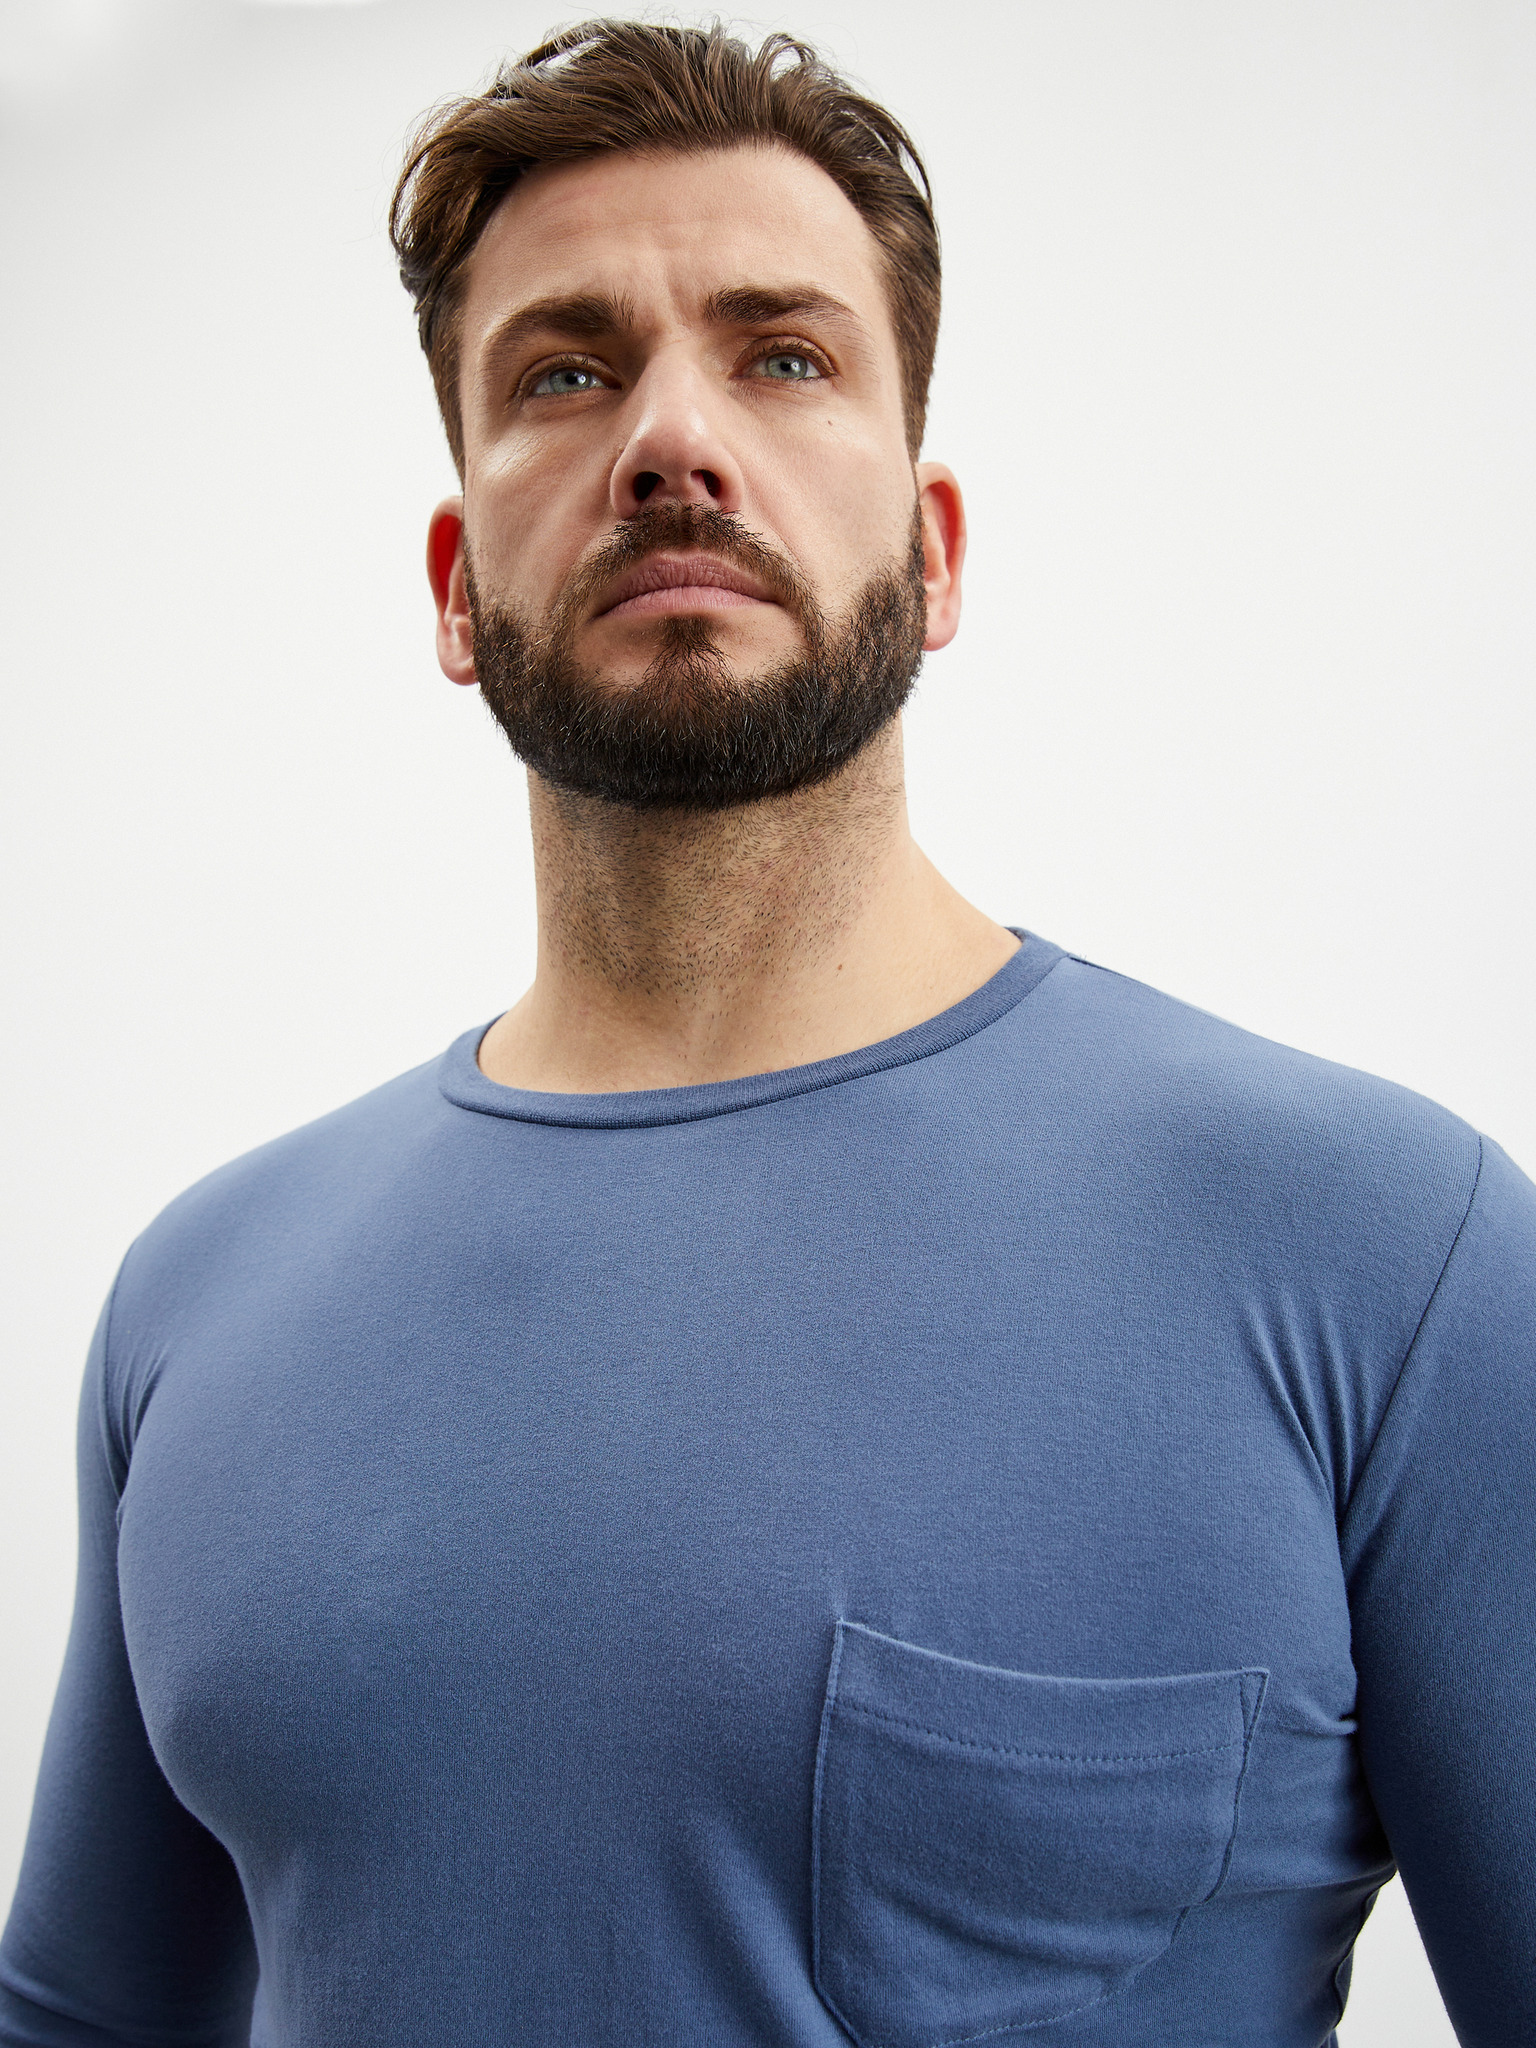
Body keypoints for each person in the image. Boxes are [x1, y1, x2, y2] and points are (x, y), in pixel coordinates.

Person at [1, 19, 1532, 2046]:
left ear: (935, 550)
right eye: (565, 373)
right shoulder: (196, 1303)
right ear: (456, 587)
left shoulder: (1384, 1256)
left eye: (785, 357)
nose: (671, 440)